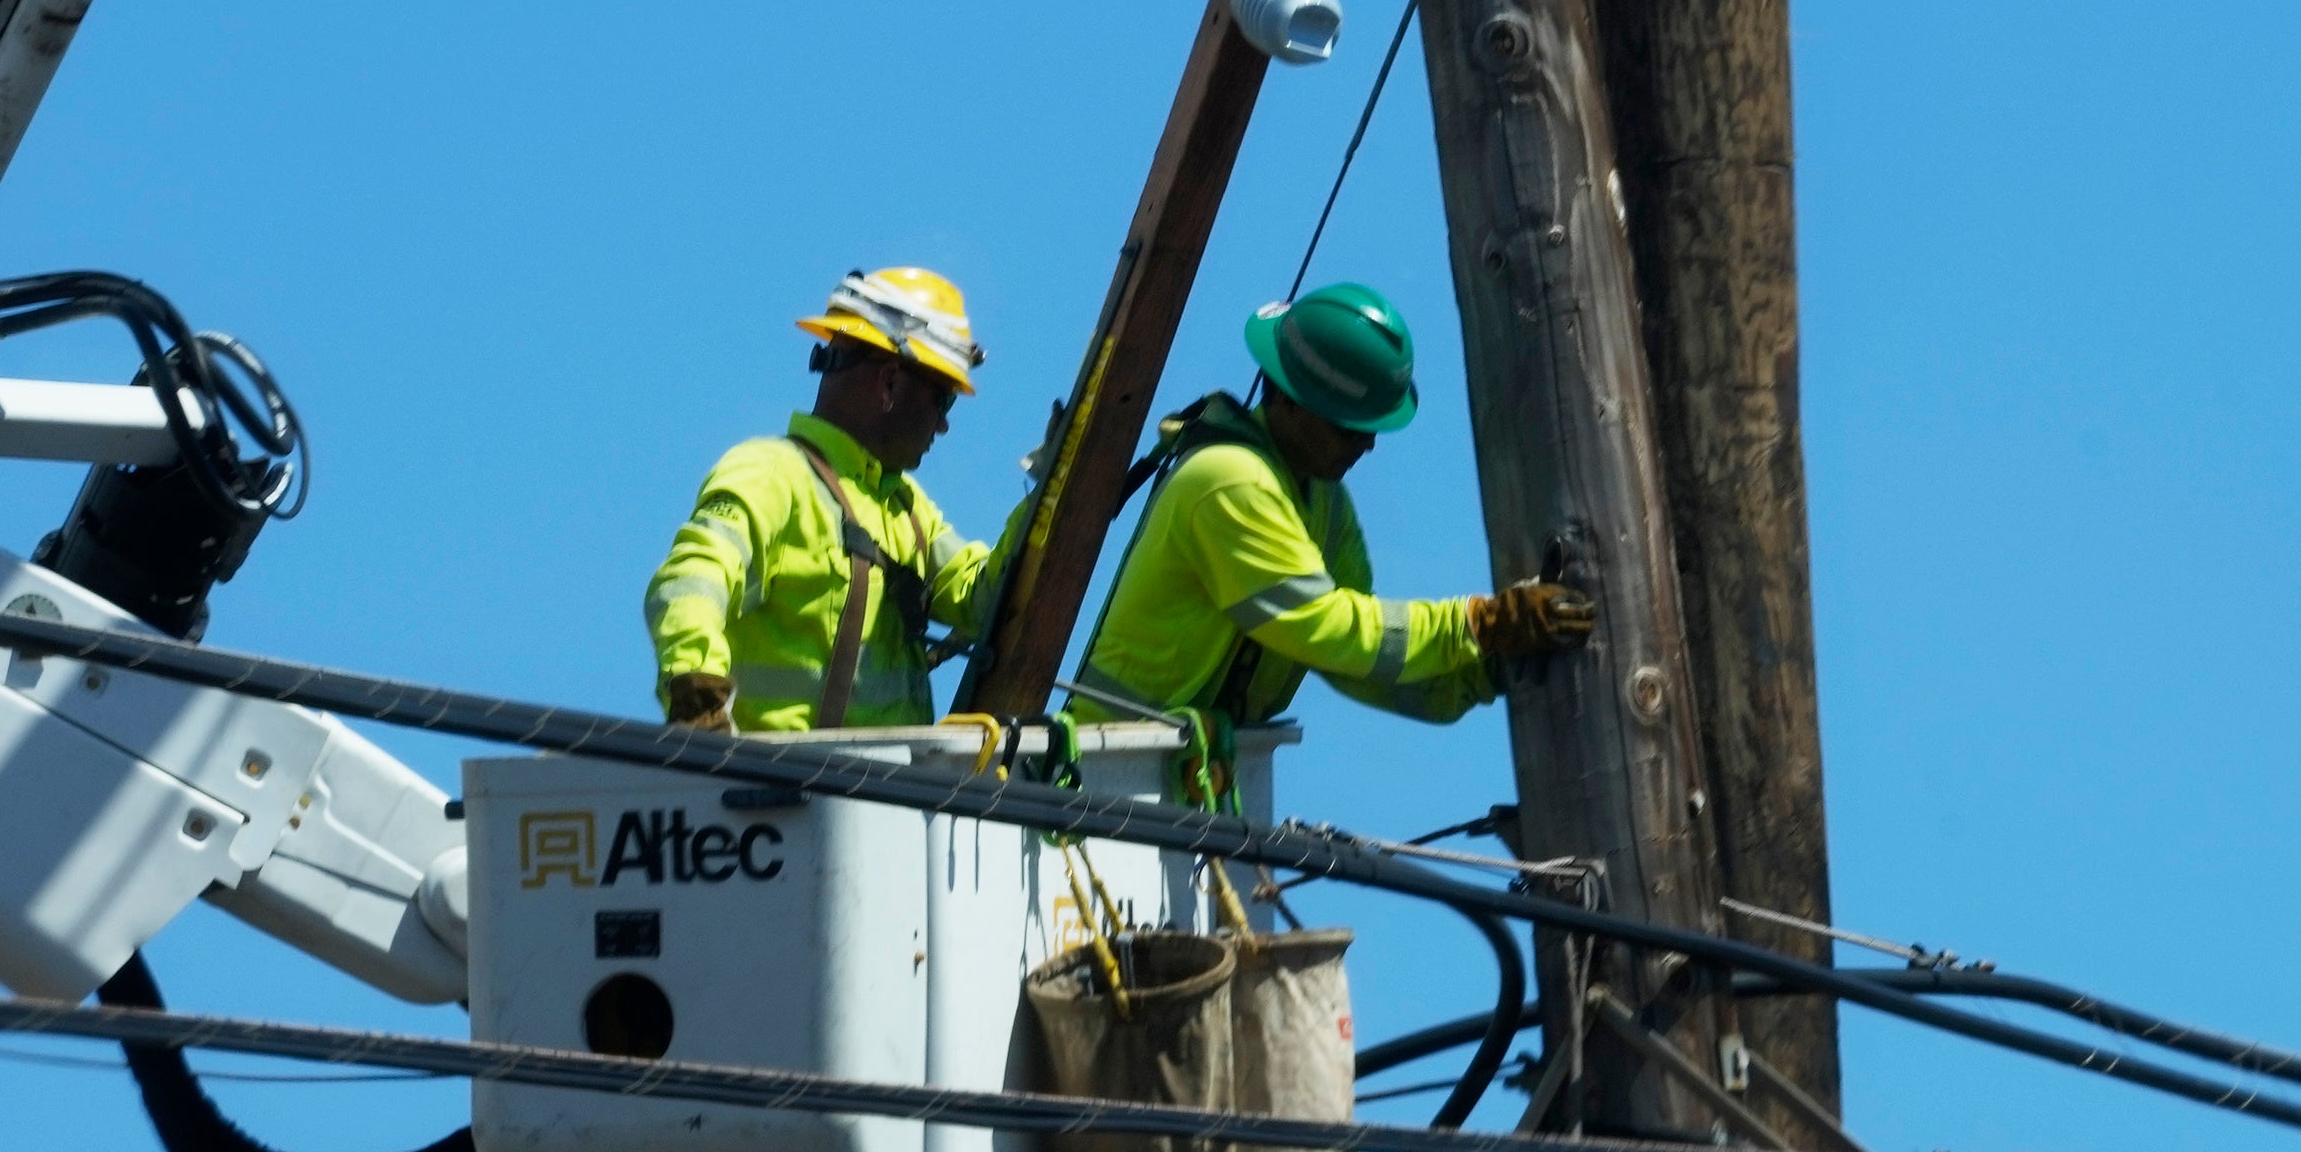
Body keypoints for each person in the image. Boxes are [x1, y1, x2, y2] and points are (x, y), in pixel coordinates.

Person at [1077, 280, 1592, 795]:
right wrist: (1479, 623)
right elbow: (1326, 628)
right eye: (1350, 428)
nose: (1367, 445)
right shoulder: (1228, 480)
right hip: (1097, 771)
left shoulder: (1323, 504)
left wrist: (1488, 670)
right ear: (1291, 400)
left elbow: (1360, 659)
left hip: (1193, 777)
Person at [644, 264, 1011, 731]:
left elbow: (985, 600)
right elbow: (691, 582)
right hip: (780, 792)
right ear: (891, 382)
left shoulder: (905, 508)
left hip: (887, 795)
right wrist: (699, 701)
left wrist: (1050, 493)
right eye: (943, 400)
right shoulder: (773, 475)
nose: (943, 424)